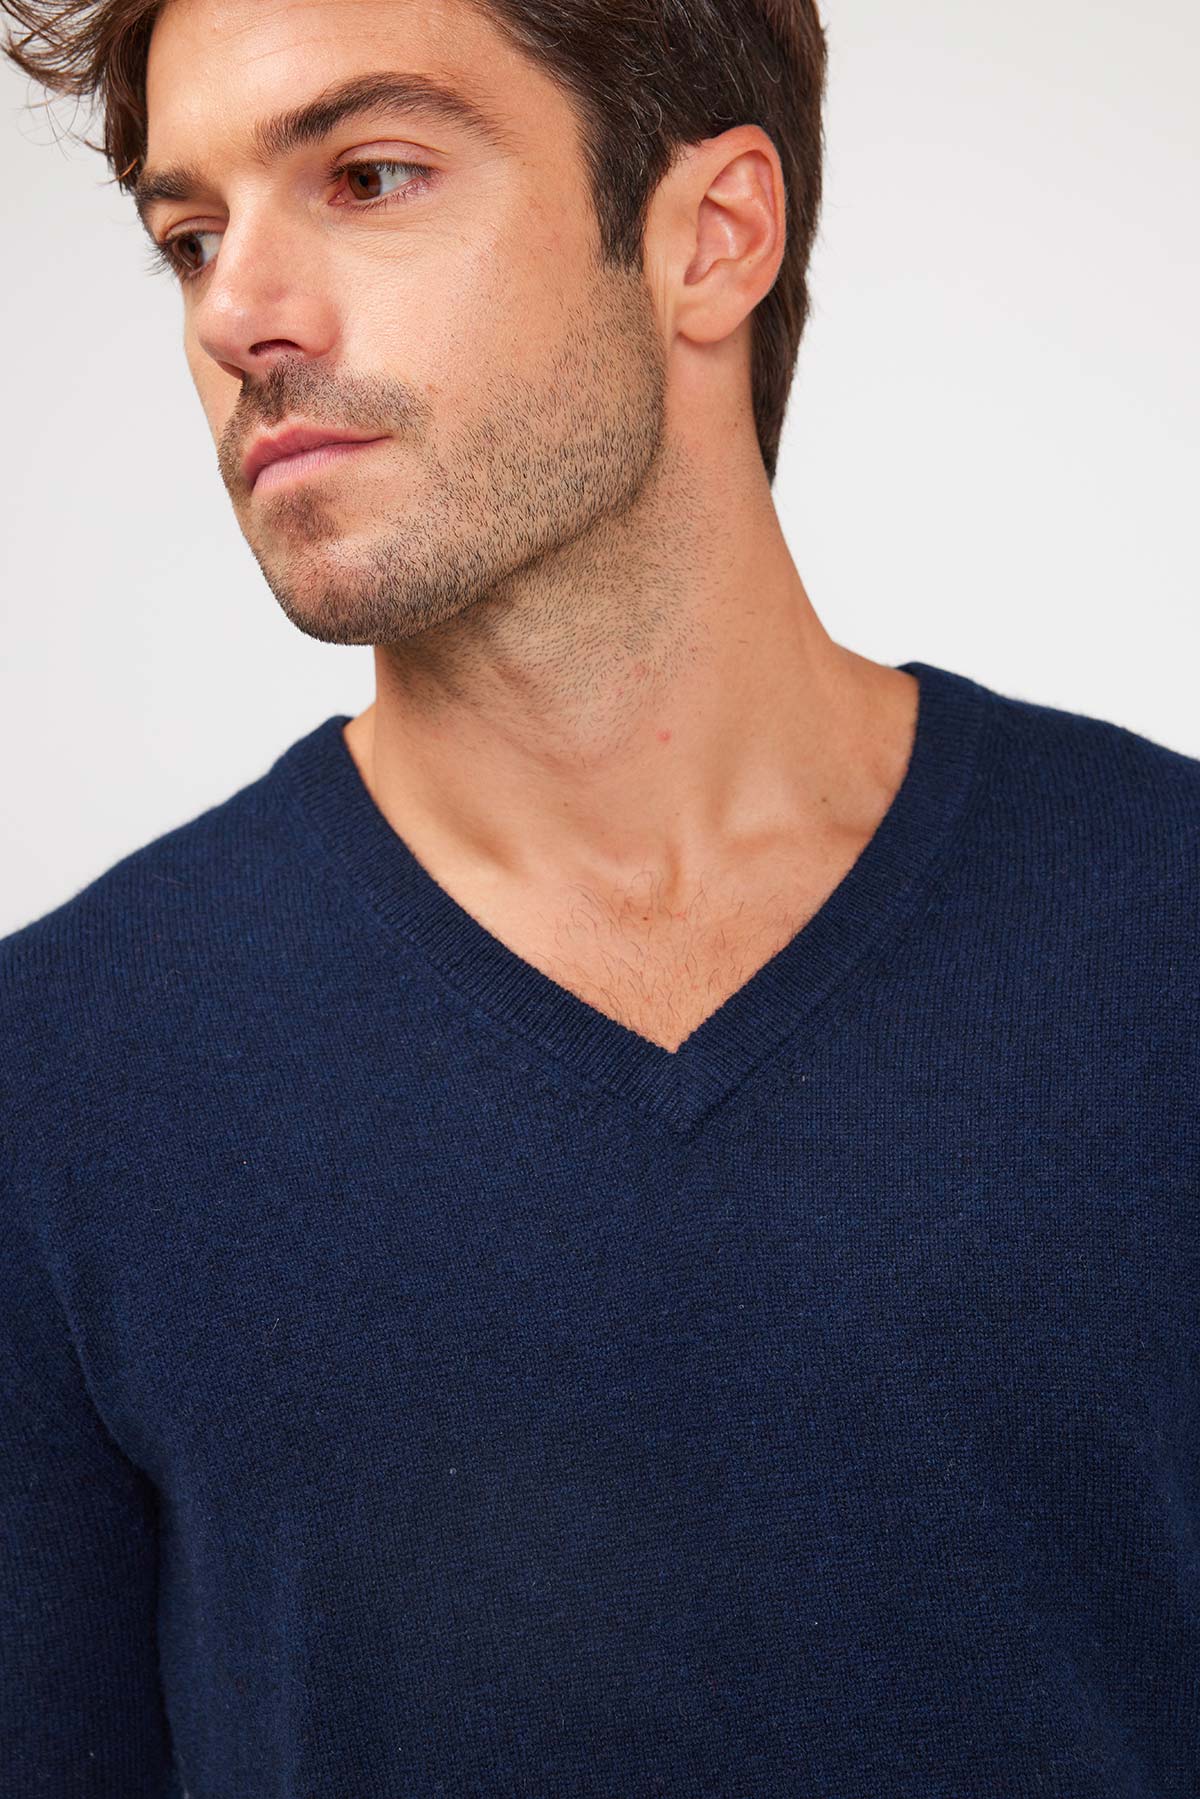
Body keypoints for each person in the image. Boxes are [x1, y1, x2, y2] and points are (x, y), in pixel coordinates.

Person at [1, 0, 1196, 1793]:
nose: (238, 313)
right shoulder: (55, 1084)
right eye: (190, 235)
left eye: (369, 176)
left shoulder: (1165, 935)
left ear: (711, 236)